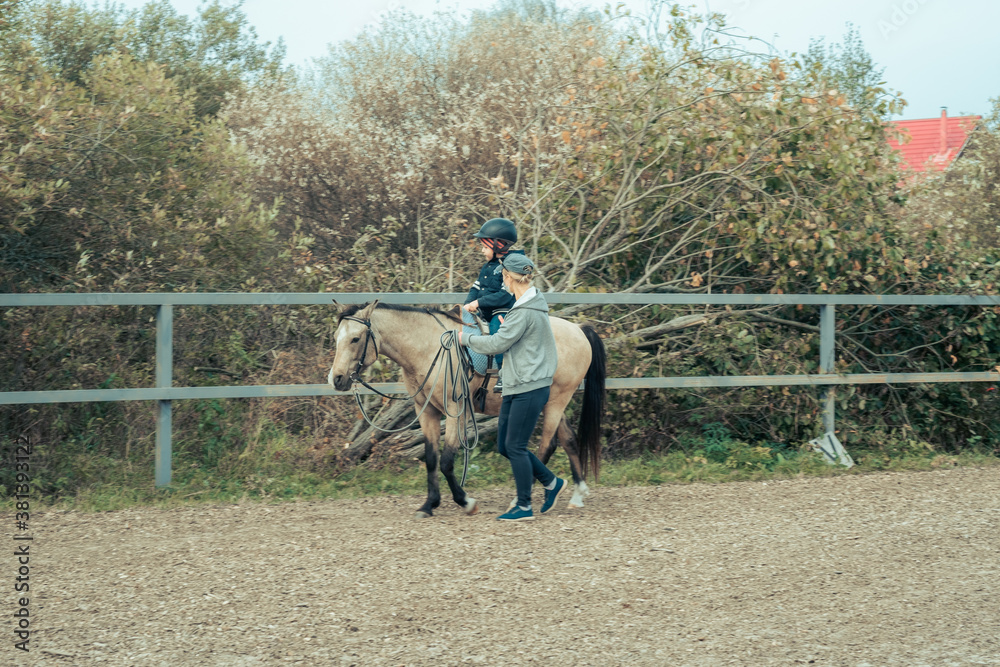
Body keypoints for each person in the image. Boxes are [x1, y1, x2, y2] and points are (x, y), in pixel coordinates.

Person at [458, 253, 567, 521]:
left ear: (508, 277)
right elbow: (520, 338)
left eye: (502, 276)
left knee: (515, 447)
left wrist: (466, 338)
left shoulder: (524, 311)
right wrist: (509, 329)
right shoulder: (527, 305)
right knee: (505, 446)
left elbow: (496, 345)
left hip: (528, 386)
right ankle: (552, 483)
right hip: (518, 383)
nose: (502, 281)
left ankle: (524, 506)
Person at [464, 218, 524, 393]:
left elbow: (505, 295)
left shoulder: (511, 265)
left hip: (504, 310)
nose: (482, 251)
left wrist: (479, 302)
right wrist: (468, 303)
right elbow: (475, 287)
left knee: (499, 331)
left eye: (485, 247)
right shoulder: (488, 266)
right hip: (484, 310)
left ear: (498, 245)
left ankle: (504, 374)